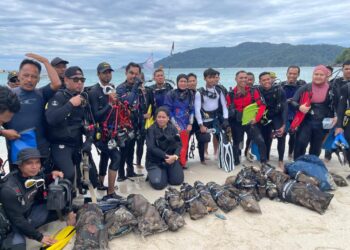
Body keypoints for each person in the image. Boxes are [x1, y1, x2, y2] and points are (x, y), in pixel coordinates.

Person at [0, 148, 75, 250]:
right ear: (20, 165)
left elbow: (43, 179)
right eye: (29, 163)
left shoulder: (34, 174)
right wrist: (40, 237)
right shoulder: (8, 189)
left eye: (37, 162)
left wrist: (52, 176)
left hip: (29, 213)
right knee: (16, 246)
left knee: (61, 204)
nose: (34, 167)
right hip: (14, 225)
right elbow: (17, 220)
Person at [4, 54, 61, 171]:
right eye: (25, 75)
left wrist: (45, 61)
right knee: (18, 186)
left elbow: (57, 83)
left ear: (39, 79)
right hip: (17, 150)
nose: (29, 79)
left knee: (42, 184)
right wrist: (3, 132)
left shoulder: (42, 93)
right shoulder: (8, 96)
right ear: (19, 76)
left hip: (40, 150)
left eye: (34, 76)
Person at [45, 66, 94, 184]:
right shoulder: (58, 97)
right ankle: (61, 200)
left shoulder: (83, 99)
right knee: (69, 174)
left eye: (82, 80)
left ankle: (73, 197)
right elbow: (51, 119)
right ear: (66, 80)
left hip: (77, 144)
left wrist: (89, 140)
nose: (80, 83)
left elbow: (90, 123)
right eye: (76, 80)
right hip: (60, 144)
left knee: (90, 178)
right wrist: (70, 104)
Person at [87, 62, 124, 199]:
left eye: (109, 72)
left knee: (105, 156)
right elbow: (96, 116)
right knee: (116, 156)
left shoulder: (111, 88)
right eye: (104, 72)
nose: (107, 74)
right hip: (99, 134)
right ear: (98, 74)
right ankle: (110, 192)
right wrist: (110, 103)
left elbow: (115, 111)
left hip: (111, 131)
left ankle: (101, 183)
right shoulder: (94, 92)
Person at [291, 65, 336, 160]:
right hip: (306, 121)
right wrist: (300, 107)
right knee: (301, 144)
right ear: (312, 75)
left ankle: (312, 165)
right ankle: (298, 164)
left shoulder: (331, 89)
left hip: (322, 123)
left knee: (316, 147)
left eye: (321, 75)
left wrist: (336, 117)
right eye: (316, 74)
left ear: (326, 76)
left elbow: (339, 104)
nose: (318, 76)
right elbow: (293, 101)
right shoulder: (306, 87)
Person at [226, 71, 266, 166]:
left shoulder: (253, 91)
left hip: (250, 122)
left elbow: (262, 105)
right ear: (236, 79)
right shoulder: (231, 94)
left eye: (245, 78)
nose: (244, 80)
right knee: (236, 143)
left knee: (260, 141)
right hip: (236, 122)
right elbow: (226, 110)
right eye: (241, 78)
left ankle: (264, 162)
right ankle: (236, 161)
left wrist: (256, 118)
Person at [116, 62, 144, 181]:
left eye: (136, 74)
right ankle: (121, 175)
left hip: (136, 123)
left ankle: (130, 171)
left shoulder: (139, 88)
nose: (134, 76)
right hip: (123, 125)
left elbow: (142, 106)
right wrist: (135, 88)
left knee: (131, 149)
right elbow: (128, 102)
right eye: (131, 73)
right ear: (126, 73)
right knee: (123, 151)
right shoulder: (120, 88)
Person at [195, 68, 229, 164]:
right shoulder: (200, 92)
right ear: (205, 78)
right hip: (204, 119)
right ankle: (202, 158)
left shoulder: (219, 91)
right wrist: (201, 125)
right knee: (204, 139)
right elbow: (197, 109)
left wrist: (225, 119)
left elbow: (224, 106)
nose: (212, 80)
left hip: (215, 118)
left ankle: (217, 153)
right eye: (209, 78)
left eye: (214, 78)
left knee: (219, 137)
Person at [145, 107, 184, 190]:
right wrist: (166, 156)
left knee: (177, 181)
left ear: (168, 118)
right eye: (159, 117)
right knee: (159, 185)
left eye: (164, 117)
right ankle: (152, 173)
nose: (161, 119)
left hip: (171, 160)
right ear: (156, 118)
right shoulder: (151, 129)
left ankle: (167, 172)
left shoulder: (173, 128)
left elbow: (179, 144)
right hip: (155, 161)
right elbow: (152, 148)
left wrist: (175, 156)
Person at [258, 72, 287, 169]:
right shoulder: (258, 90)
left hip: (276, 115)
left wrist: (284, 123)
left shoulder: (279, 90)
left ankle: (281, 160)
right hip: (264, 117)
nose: (266, 81)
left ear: (272, 79)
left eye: (268, 79)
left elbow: (284, 107)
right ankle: (265, 158)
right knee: (266, 138)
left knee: (281, 136)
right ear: (260, 82)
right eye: (264, 80)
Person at [164, 74, 194, 168]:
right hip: (173, 124)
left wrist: (190, 123)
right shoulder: (171, 94)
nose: (183, 83)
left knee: (184, 145)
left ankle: (182, 163)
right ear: (177, 82)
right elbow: (168, 110)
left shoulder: (190, 94)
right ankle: (173, 164)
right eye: (181, 81)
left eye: (185, 81)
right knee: (173, 145)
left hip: (186, 124)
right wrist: (175, 125)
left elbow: (192, 110)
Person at [281, 66, 306, 159]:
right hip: (284, 116)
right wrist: (287, 101)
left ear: (298, 75)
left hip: (296, 116)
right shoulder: (281, 86)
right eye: (290, 73)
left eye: (294, 74)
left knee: (294, 137)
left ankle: (290, 154)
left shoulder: (302, 87)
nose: (292, 75)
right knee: (282, 136)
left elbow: (306, 100)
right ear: (286, 73)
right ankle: (281, 158)